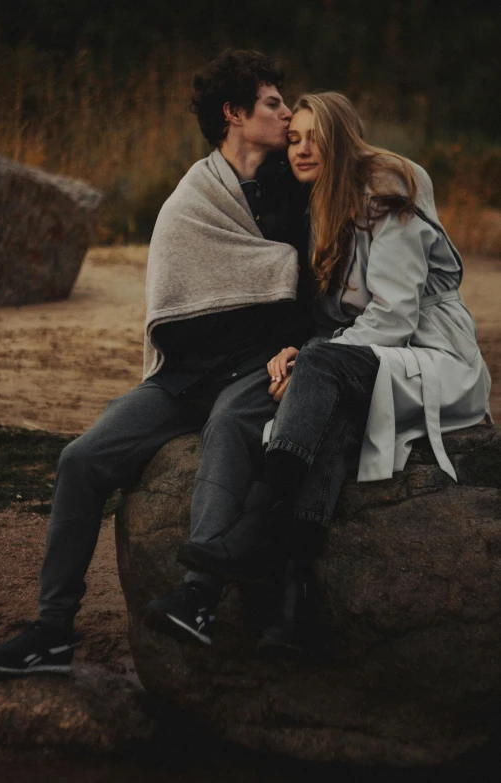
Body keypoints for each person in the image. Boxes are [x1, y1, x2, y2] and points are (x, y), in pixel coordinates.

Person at [0, 50, 314, 675]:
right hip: (184, 378)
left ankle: (202, 598)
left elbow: (314, 286)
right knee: (80, 459)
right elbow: (176, 298)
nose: (287, 113)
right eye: (273, 103)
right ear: (234, 114)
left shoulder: (296, 189)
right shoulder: (194, 196)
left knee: (228, 429)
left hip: (257, 372)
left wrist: (295, 349)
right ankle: (52, 632)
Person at [177, 91, 492, 655]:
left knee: (323, 373)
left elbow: (394, 315)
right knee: (335, 419)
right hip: (369, 358)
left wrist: (315, 361)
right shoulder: (322, 206)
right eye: (293, 137)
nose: (300, 148)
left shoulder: (390, 184)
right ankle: (293, 609)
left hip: (433, 354)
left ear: (342, 135)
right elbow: (334, 322)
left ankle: (259, 525)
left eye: (313, 136)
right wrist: (296, 352)